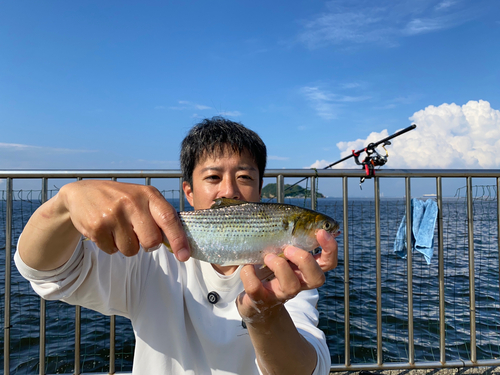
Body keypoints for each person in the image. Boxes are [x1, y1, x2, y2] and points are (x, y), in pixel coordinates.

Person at [15, 117, 338, 375]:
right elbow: (48, 274)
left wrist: (265, 314)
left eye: (245, 177)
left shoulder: (290, 273)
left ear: (259, 188)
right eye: (212, 177)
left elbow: (305, 370)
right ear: (188, 191)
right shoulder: (151, 254)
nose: (230, 190)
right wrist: (62, 205)